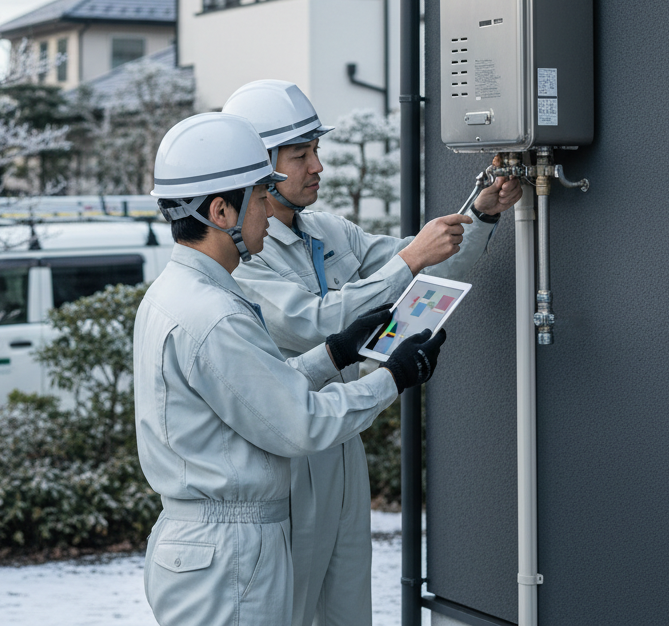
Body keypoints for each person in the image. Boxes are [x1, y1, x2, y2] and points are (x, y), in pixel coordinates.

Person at [222, 80, 521, 626]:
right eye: (300, 155)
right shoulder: (244, 255)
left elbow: (425, 271)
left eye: (317, 150)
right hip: (285, 451)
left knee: (348, 606)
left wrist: (481, 214)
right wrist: (408, 259)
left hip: (341, 441)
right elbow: (315, 323)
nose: (317, 166)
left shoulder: (330, 231)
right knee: (289, 609)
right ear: (259, 167)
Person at [135, 111, 447, 626]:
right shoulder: (215, 315)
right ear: (220, 210)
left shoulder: (179, 294)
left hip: (212, 544)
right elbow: (301, 422)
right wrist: (392, 377)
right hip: (230, 553)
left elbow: (255, 394)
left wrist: (334, 355)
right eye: (260, 196)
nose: (267, 209)